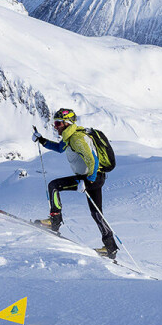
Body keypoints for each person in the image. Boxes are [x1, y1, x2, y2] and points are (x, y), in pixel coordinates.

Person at [33, 108, 119, 259]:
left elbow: (92, 160)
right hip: (93, 177)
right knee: (96, 213)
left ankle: (54, 221)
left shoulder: (76, 138)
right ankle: (110, 247)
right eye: (55, 124)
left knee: (54, 186)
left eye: (58, 123)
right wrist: (42, 140)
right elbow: (59, 148)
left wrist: (88, 181)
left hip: (91, 178)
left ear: (67, 124)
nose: (56, 127)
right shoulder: (69, 136)